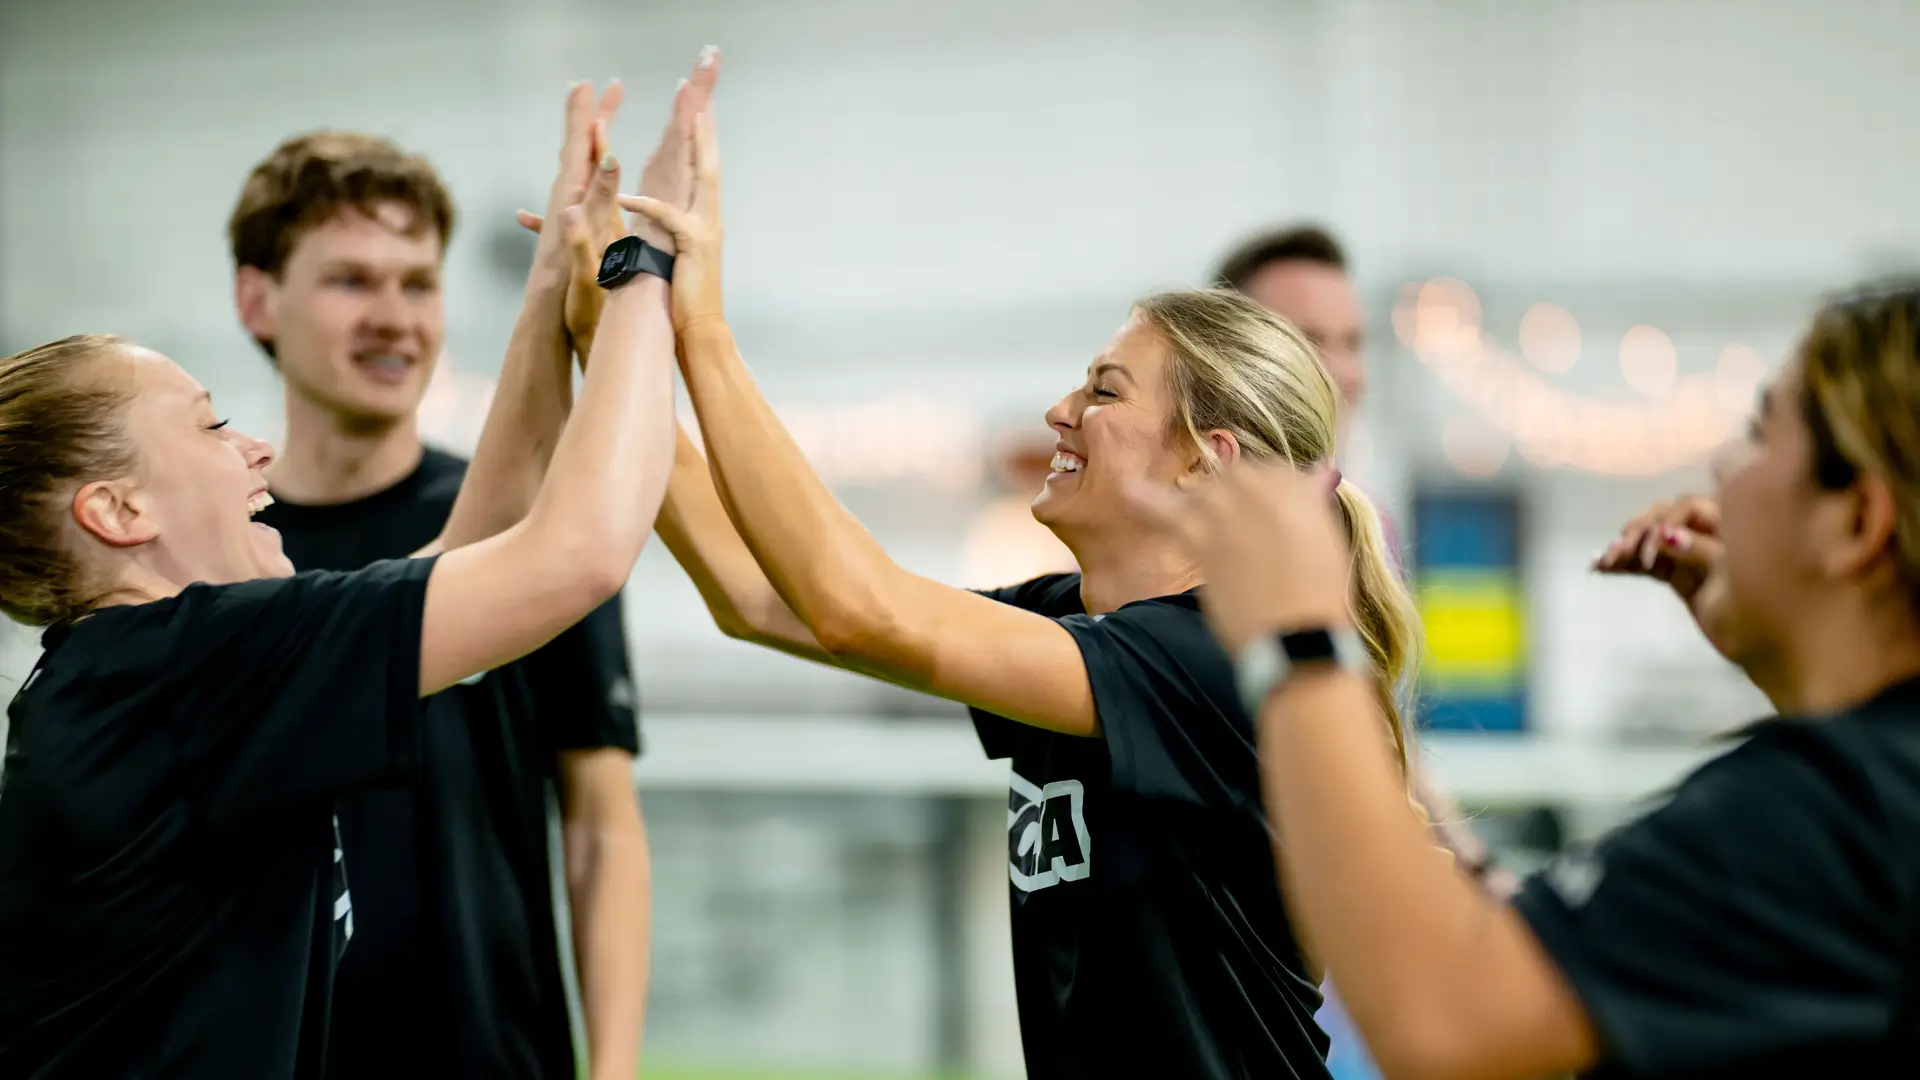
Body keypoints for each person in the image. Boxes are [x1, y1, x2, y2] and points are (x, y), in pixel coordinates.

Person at [588, 106, 1421, 1078]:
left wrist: (702, 327)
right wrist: (612, 327)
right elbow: (757, 595)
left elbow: (853, 601)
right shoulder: (1073, 622)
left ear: (1208, 461)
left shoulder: (1209, 659)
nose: (1058, 412)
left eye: (1105, 392)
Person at [0, 71, 685, 1078]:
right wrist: (645, 269)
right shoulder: (182, 669)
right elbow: (574, 552)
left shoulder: (147, 671)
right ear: (116, 511)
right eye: (211, 425)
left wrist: (552, 283)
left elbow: (464, 553)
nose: (254, 452)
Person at [1148, 280, 1920, 1079]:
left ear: (1857, 523)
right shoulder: (1879, 794)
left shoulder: (1825, 814)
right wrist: (1792, 654)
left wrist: (1297, 638)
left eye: (1761, 435)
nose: (1725, 468)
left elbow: (1445, 1020)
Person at [225, 62, 708, 1078]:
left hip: (496, 1052)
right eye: (352, 280)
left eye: (418, 283)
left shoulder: (537, 523)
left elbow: (600, 823)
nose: (395, 318)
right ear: (257, 300)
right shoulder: (228, 553)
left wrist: (613, 1066)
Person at [1216, 224, 1513, 904]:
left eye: (1353, 342)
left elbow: (1379, 734)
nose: (1344, 372)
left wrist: (1471, 866)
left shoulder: (1363, 523)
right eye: (1309, 340)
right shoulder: (1186, 537)